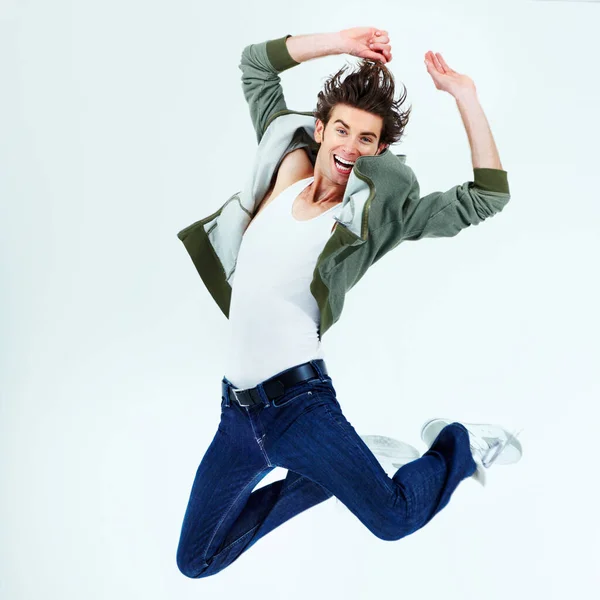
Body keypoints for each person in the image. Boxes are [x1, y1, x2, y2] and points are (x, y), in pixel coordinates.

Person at [175, 27, 522, 579]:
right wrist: (343, 43)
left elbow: (486, 197)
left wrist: (466, 96)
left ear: (379, 151)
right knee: (197, 559)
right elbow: (255, 65)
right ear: (320, 128)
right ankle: (338, 468)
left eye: (367, 139)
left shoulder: (375, 217)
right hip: (237, 416)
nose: (349, 147)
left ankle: (459, 445)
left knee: (394, 518)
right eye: (342, 129)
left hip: (301, 410)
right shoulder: (284, 165)